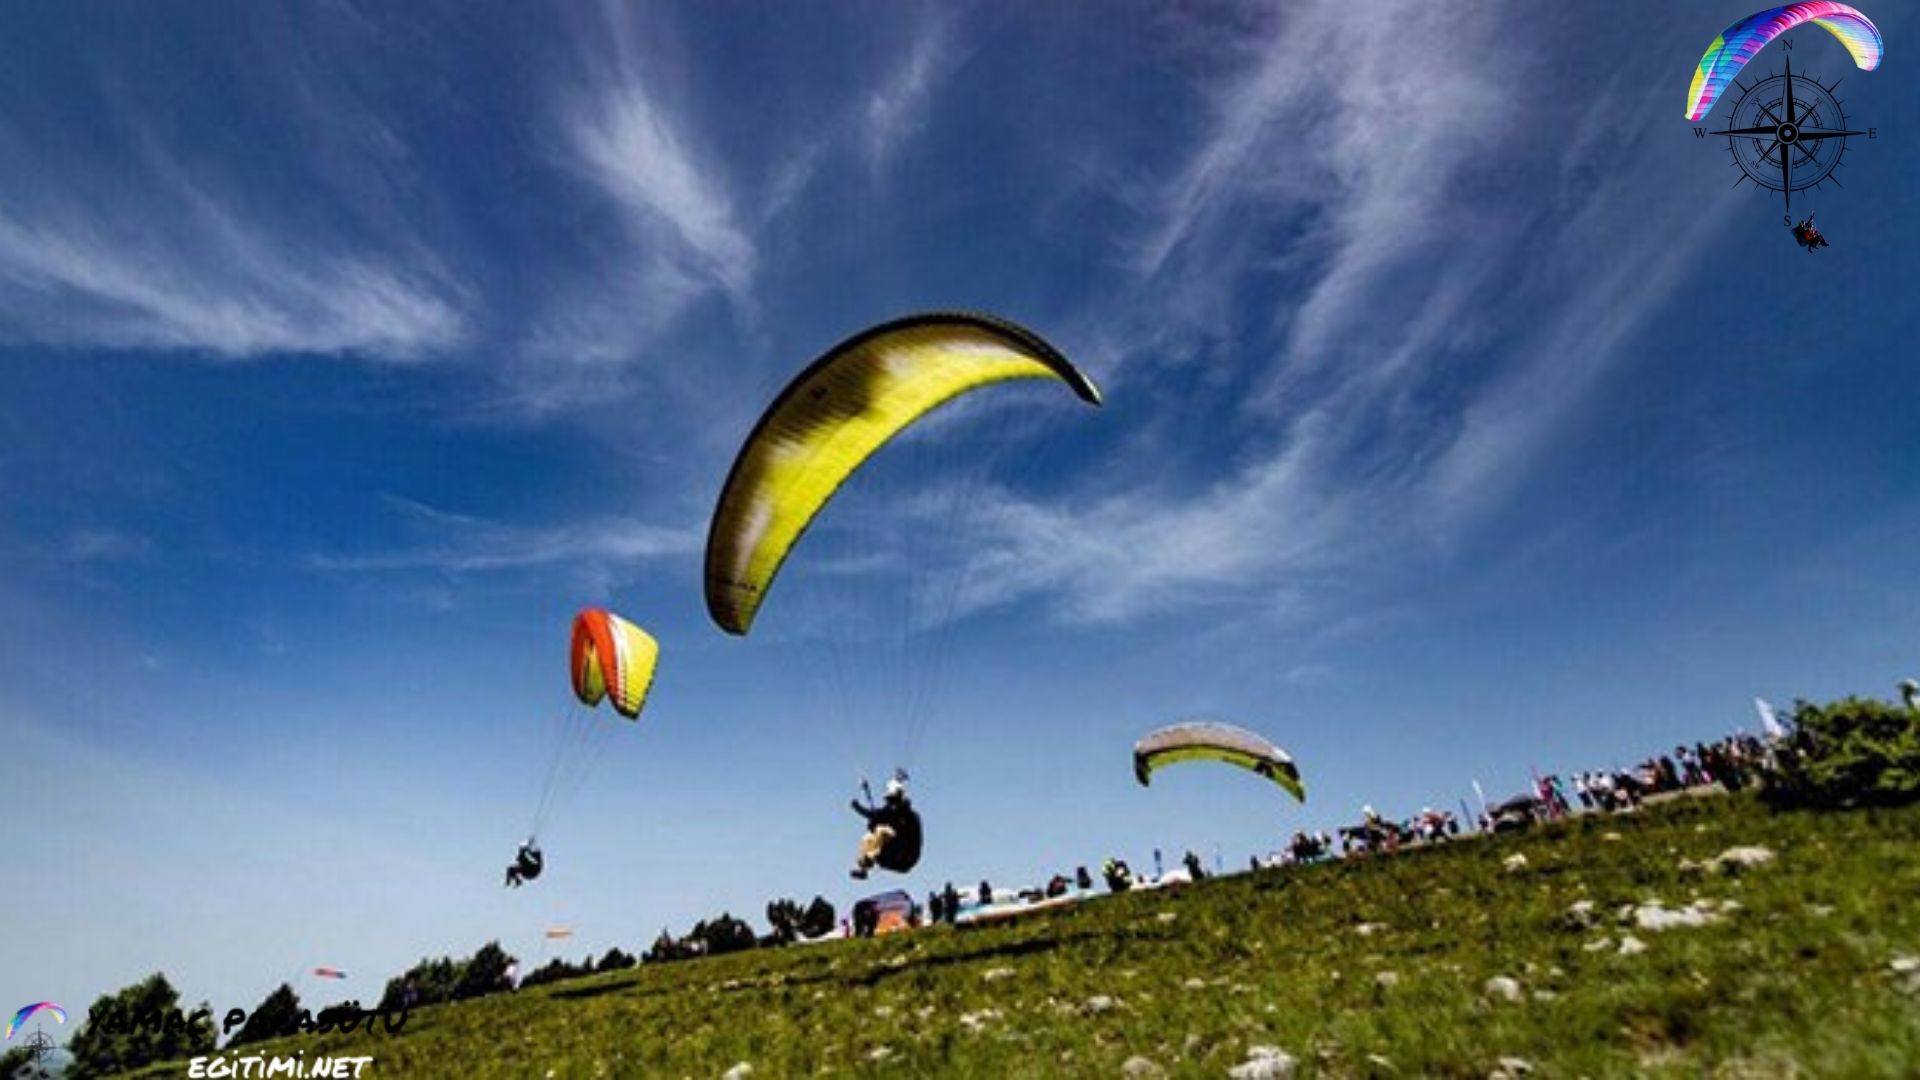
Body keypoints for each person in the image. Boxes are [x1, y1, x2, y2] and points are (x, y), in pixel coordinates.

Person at [850, 774, 923, 879]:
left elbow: (905, 834)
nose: (891, 804)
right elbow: (874, 815)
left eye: (893, 800)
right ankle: (863, 869)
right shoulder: (888, 812)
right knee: (868, 837)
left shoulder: (910, 816)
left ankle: (870, 858)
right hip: (890, 856)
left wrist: (877, 824)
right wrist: (857, 807)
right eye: (889, 801)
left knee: (882, 831)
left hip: (904, 857)